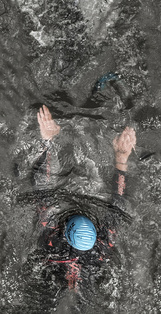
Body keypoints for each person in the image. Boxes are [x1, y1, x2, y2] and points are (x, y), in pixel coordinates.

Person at [26, 105, 135, 308]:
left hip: (54, 272)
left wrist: (48, 141)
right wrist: (121, 157)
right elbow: (119, 201)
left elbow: (42, 184)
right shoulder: (101, 247)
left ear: (64, 228)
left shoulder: (53, 239)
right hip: (87, 281)